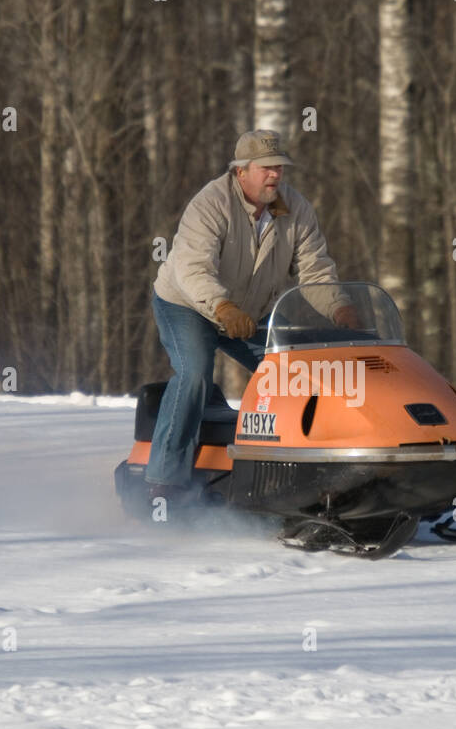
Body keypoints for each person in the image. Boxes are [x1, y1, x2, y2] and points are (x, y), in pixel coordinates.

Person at [145, 130, 356, 501]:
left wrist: (340, 308)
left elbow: (315, 270)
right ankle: (163, 483)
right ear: (241, 171)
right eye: (266, 168)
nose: (275, 175)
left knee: (293, 374)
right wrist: (222, 308)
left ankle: (295, 474)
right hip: (188, 305)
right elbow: (193, 269)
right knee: (194, 372)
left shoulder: (296, 210)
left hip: (249, 313)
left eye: (280, 167)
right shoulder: (210, 204)